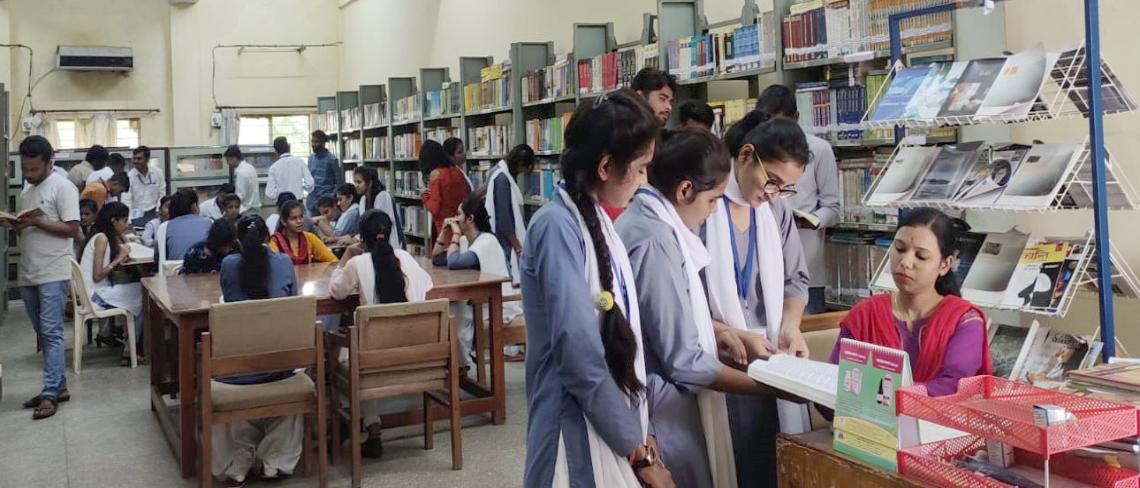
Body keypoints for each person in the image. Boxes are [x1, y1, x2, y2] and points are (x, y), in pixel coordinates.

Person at [618, 128, 798, 488]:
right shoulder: (655, 242)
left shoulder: (651, 222)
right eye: (714, 200)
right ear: (685, 191)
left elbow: (668, 314)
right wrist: (771, 386)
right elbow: (683, 361)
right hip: (660, 402)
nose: (714, 211)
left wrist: (719, 333)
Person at [520, 90, 673, 488]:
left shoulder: (597, 219)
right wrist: (638, 451)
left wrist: (638, 433)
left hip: (609, 418)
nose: (643, 182)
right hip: (572, 420)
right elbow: (580, 355)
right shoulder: (556, 226)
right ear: (606, 166)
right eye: (640, 169)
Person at [701, 110, 813, 487]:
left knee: (771, 458)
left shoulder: (775, 208)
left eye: (785, 188)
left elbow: (796, 280)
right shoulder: (704, 204)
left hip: (769, 355)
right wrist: (726, 331)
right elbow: (684, 298)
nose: (774, 195)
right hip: (718, 354)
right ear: (746, 155)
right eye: (772, 181)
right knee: (731, 462)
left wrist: (791, 326)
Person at [829, 208, 991, 396]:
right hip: (863, 423)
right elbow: (836, 380)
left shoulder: (964, 321)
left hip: (933, 424)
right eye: (899, 249)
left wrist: (883, 395)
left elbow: (954, 386)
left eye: (921, 256)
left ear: (945, 264)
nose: (905, 262)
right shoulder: (865, 314)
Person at [329, 209, 434, 457]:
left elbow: (336, 291)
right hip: (418, 354)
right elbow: (428, 284)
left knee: (345, 351)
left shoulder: (357, 262)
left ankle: (359, 424)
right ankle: (369, 424)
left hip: (374, 361)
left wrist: (344, 258)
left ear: (361, 239)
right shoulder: (406, 258)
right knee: (366, 347)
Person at [213, 214, 304, 486]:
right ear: (269, 238)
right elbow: (293, 305)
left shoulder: (228, 265)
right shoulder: (284, 262)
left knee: (234, 367)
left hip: (235, 372)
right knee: (292, 370)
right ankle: (275, 460)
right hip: (280, 368)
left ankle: (237, 461)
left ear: (237, 241)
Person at [4, 136, 80, 420]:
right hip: (29, 271)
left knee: (52, 332)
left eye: (35, 169)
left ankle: (49, 392)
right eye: (25, 169)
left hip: (53, 270)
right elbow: (30, 229)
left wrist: (36, 221)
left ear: (50, 162)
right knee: (43, 333)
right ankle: (58, 387)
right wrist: (15, 225)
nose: (29, 174)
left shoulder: (63, 188)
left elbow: (73, 229)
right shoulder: (27, 192)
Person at [757, 85, 841, 314]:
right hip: (766, 267)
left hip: (806, 263)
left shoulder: (819, 150)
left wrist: (811, 219)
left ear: (796, 118)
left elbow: (833, 208)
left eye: (783, 123)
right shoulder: (759, 151)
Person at [432, 194, 524, 366]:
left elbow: (453, 262)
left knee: (454, 312)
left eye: (459, 214)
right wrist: (444, 232)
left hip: (497, 306)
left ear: (470, 218)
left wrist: (456, 235)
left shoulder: (487, 241)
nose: (455, 219)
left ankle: (459, 364)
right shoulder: (468, 241)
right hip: (479, 302)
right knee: (450, 310)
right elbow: (437, 259)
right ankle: (455, 363)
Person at [79, 201, 145, 366]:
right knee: (147, 294)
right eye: (124, 220)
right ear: (113, 221)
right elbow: (97, 275)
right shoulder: (101, 239)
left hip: (96, 293)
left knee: (140, 290)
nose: (127, 224)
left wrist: (121, 239)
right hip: (95, 296)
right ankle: (131, 351)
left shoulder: (102, 234)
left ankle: (129, 345)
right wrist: (118, 259)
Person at [485, 144, 533, 283]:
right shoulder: (502, 179)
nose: (523, 172)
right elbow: (504, 217)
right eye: (524, 169)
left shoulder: (496, 171)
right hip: (506, 242)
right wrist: (518, 247)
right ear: (519, 164)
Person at [420, 139, 470, 236]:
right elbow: (466, 196)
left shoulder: (436, 175)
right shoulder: (457, 171)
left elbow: (435, 208)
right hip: (461, 225)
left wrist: (424, 195)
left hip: (445, 228)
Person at [268, 200, 338, 265]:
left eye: (301, 217)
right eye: (293, 218)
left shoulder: (310, 238)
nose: (299, 221)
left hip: (308, 278)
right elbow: (274, 266)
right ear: (284, 221)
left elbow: (333, 261)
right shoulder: (274, 242)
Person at [158, 189, 213, 262]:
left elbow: (160, 256)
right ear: (194, 207)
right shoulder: (210, 223)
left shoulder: (164, 227)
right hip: (207, 271)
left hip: (174, 271)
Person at [353, 166, 402, 248]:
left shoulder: (382, 196)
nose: (356, 185)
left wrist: (355, 239)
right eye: (355, 182)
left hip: (388, 243)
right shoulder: (363, 200)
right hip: (372, 243)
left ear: (370, 183)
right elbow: (364, 226)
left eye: (359, 182)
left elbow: (377, 225)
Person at [265, 136, 314, 204]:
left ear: (276, 151)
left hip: (283, 205)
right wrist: (300, 187)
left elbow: (269, 193)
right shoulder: (300, 162)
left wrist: (280, 193)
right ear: (289, 147)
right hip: (298, 203)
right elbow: (310, 184)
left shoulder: (273, 167)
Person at [307, 130, 344, 219]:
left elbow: (339, 183)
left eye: (316, 142)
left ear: (323, 143)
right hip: (312, 201)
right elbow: (309, 179)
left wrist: (331, 196)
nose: (313, 144)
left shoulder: (332, 159)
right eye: (312, 141)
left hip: (326, 203)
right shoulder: (311, 158)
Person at [127, 145, 166, 227]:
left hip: (154, 212)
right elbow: (127, 199)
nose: (136, 161)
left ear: (147, 159)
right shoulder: (130, 176)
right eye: (134, 158)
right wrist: (128, 220)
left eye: (139, 159)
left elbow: (162, 193)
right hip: (136, 215)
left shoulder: (157, 172)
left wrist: (159, 210)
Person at [226, 145, 261, 214]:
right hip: (254, 209)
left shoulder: (241, 173)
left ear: (234, 158)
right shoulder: (250, 167)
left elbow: (240, 196)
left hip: (246, 210)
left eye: (228, 160)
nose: (228, 163)